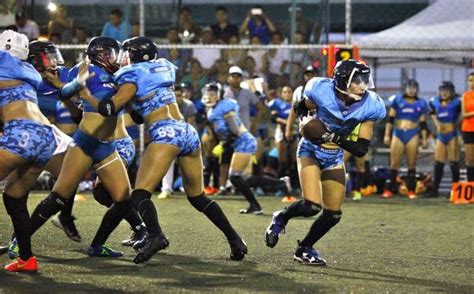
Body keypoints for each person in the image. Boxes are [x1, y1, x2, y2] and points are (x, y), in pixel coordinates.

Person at [82, 36, 247, 263]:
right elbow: (140, 113)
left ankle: (156, 235)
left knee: (140, 194)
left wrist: (86, 94)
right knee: (198, 197)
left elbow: (110, 108)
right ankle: (236, 241)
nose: (123, 58)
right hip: (186, 131)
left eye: (126, 54)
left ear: (134, 56)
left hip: (165, 132)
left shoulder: (130, 75)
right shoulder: (163, 68)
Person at [265, 60, 386, 265]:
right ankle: (281, 218)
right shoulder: (321, 89)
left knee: (333, 214)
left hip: (334, 155)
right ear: (342, 80)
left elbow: (361, 149)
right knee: (312, 206)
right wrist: (305, 123)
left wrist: (332, 137)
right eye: (357, 80)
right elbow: (300, 107)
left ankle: (304, 248)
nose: (363, 85)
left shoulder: (371, 104)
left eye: (365, 79)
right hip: (310, 149)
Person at [27, 37, 134, 260]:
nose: (118, 56)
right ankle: (20, 241)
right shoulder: (86, 69)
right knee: (59, 196)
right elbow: (65, 91)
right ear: (102, 54)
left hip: (107, 146)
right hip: (85, 144)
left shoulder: (117, 76)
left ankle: (96, 246)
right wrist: (65, 85)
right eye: (114, 52)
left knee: (123, 199)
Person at [0, 30, 74, 272]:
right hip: (45, 137)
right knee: (13, 197)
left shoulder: (3, 61)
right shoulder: (29, 73)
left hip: (22, 133)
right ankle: (26, 259)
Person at [25, 40, 81, 241]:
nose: (54, 60)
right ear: (35, 60)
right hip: (19, 137)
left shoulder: (61, 75)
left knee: (71, 171)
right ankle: (19, 240)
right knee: (16, 194)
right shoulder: (22, 77)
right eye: (49, 56)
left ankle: (65, 216)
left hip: (42, 137)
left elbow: (84, 82)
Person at [203, 82, 263, 213]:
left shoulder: (225, 107)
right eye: (207, 94)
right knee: (245, 179)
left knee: (235, 177)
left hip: (243, 142)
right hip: (237, 143)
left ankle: (257, 204)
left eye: (212, 94)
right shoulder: (211, 109)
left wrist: (224, 143)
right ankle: (258, 203)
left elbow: (235, 131)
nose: (209, 96)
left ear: (219, 95)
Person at [382, 80, 428, 199]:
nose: (411, 90)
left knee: (411, 163)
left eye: (414, 88)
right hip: (398, 133)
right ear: (405, 88)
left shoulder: (421, 103)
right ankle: (389, 190)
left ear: (417, 89)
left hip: (413, 134)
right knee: (394, 163)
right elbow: (390, 120)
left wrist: (424, 139)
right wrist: (387, 135)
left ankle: (411, 190)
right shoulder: (397, 100)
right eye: (409, 87)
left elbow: (423, 124)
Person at [158, 83, 197, 199]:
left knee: (188, 162)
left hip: (187, 137)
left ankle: (194, 189)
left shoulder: (189, 105)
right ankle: (166, 189)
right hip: (170, 138)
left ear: (182, 95)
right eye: (174, 95)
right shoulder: (164, 105)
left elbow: (190, 125)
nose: (177, 98)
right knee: (167, 159)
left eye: (179, 95)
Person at [429, 81, 461, 197]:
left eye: (447, 91)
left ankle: (455, 191)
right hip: (441, 136)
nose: (444, 93)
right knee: (438, 162)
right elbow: (431, 111)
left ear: (452, 92)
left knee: (453, 162)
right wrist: (436, 123)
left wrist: (459, 129)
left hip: (452, 134)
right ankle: (434, 190)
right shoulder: (435, 102)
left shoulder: (457, 102)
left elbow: (463, 113)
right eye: (442, 90)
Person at [267, 85, 298, 199]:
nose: (287, 94)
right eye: (285, 92)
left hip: (294, 133)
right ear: (281, 94)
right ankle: (280, 188)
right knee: (282, 162)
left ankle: (294, 187)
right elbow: (274, 118)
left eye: (289, 92)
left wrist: (293, 125)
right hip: (281, 133)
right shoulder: (277, 103)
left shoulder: (296, 104)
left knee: (294, 161)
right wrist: (289, 123)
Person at [461, 72, 474, 182]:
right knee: (469, 159)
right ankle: (471, 184)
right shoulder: (465, 95)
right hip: (468, 129)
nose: (472, 83)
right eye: (470, 80)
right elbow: (464, 114)